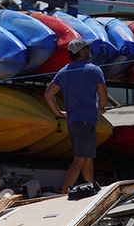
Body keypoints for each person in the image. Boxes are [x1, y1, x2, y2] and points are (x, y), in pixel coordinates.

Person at [45, 38, 108, 195]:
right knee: (80, 159)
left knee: (86, 157)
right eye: (87, 48)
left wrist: (58, 112)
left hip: (73, 122)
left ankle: (90, 186)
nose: (89, 51)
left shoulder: (64, 71)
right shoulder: (94, 70)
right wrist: (101, 108)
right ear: (81, 52)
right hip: (87, 121)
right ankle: (64, 192)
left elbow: (48, 94)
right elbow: (104, 97)